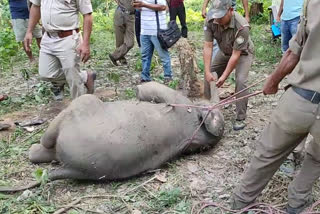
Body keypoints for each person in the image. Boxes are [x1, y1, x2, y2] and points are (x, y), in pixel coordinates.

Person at [232, 0, 320, 213]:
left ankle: (241, 202)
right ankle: (297, 201)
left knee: (267, 153)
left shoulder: (314, 4)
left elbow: (293, 53)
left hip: (300, 100)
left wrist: (272, 81)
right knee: (317, 158)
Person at [24, 0, 96, 101]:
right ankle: (85, 76)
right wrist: (29, 31)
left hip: (68, 38)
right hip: (48, 37)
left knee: (74, 80)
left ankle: (80, 109)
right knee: (45, 73)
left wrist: (86, 44)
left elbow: (87, 15)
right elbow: (36, 6)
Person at [203, 0, 254, 131]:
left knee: (241, 81)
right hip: (224, 51)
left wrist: (224, 77)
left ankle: (240, 117)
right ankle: (208, 109)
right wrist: (208, 71)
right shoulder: (211, 20)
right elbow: (208, 46)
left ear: (231, 10)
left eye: (220, 16)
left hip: (243, 53)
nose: (217, 19)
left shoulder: (242, 26)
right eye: (215, 16)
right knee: (209, 75)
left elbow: (236, 55)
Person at [133, 0, 173, 83]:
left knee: (163, 55)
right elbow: (140, 9)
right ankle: (145, 77)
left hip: (157, 31)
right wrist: (137, 6)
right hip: (144, 30)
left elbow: (162, 7)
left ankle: (168, 76)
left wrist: (144, 4)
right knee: (145, 56)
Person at [109, 0, 135, 66]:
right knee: (119, 40)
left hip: (131, 16)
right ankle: (122, 59)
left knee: (130, 43)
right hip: (120, 13)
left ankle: (114, 56)